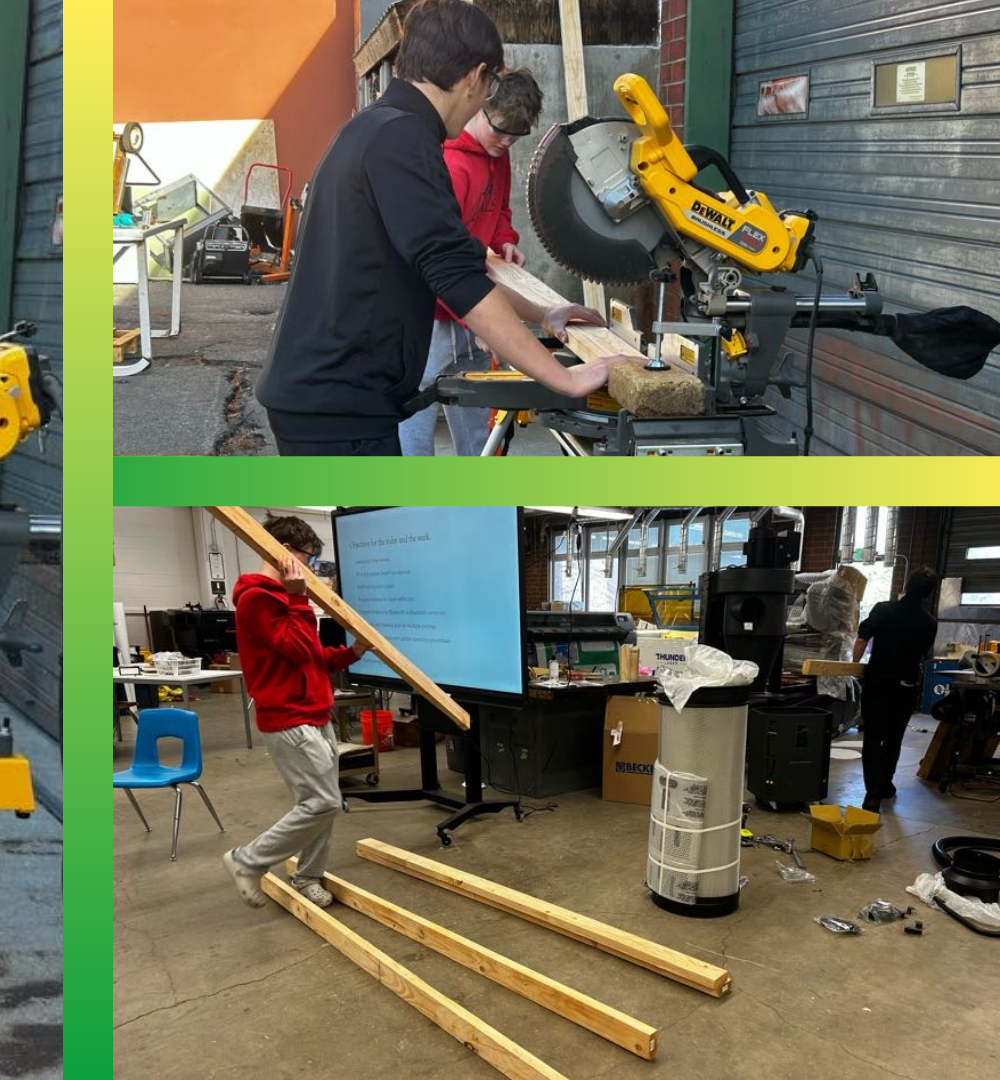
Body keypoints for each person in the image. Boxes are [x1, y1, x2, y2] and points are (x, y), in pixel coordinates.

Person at [255, 0, 633, 456]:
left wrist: (542, 314)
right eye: (490, 83)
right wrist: (564, 378)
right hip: (338, 408)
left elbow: (459, 261)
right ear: (476, 76)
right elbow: (458, 282)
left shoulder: (374, 129)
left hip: (325, 398)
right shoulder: (403, 139)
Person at [220, 515, 369, 909]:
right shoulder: (258, 598)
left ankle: (307, 876)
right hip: (289, 717)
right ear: (286, 553)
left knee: (321, 805)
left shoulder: (282, 596)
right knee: (322, 803)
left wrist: (349, 653)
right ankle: (247, 861)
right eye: (308, 557)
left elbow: (310, 659)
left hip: (315, 713)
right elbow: (299, 648)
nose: (311, 567)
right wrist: (300, 598)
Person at [399, 69, 544, 456]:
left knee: (477, 418)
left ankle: (479, 500)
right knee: (415, 413)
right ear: (479, 109)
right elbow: (438, 261)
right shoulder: (449, 166)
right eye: (500, 130)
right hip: (430, 314)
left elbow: (497, 209)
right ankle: (408, 502)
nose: (506, 140)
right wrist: (482, 320)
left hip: (470, 301)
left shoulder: (499, 155)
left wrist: (505, 242)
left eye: (517, 134)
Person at [851, 567, 940, 812]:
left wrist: (853, 668)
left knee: (872, 738)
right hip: (906, 685)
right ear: (928, 594)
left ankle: (872, 795)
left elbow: (862, 639)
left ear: (906, 584)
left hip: (879, 684)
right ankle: (886, 783)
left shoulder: (883, 609)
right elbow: (921, 653)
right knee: (894, 738)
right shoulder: (930, 622)